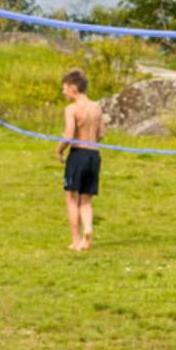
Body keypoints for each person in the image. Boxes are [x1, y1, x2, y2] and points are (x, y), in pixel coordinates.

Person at [58, 68, 104, 251]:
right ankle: (89, 230)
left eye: (65, 88)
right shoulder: (97, 107)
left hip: (78, 155)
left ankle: (76, 240)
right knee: (86, 200)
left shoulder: (72, 109)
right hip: (94, 155)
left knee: (71, 198)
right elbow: (101, 134)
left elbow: (69, 135)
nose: (63, 92)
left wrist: (59, 150)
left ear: (73, 88)